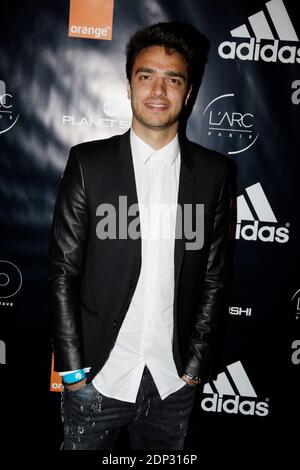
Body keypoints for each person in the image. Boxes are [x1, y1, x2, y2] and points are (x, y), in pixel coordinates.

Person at [48, 21, 232, 451]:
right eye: (145, 75)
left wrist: (194, 369)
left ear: (188, 94)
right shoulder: (87, 164)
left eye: (173, 79)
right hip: (99, 378)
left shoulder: (213, 174)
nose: (157, 90)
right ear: (129, 86)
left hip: (173, 384)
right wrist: (73, 371)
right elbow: (62, 273)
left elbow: (214, 278)